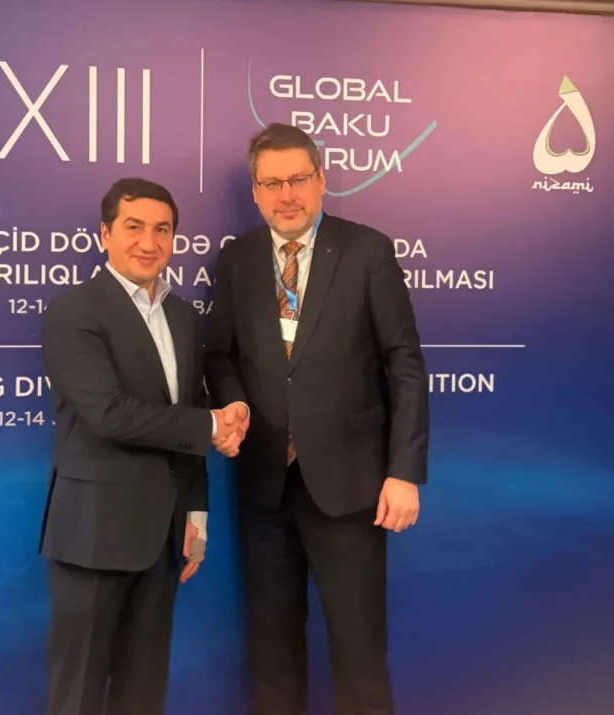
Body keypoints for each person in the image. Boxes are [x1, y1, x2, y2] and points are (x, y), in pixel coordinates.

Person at [203, 123, 430, 715]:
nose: (287, 195)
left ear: (322, 180)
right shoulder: (237, 259)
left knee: (359, 653)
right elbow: (217, 354)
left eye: (298, 179)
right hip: (264, 486)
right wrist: (233, 400)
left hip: (352, 488)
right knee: (272, 654)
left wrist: (404, 471)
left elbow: (404, 364)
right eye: (271, 183)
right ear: (255, 191)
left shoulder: (367, 251)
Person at [38, 177, 247, 715]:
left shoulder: (184, 317)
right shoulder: (74, 311)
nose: (149, 242)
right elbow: (109, 415)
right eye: (134, 227)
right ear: (105, 233)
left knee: (143, 693)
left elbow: (190, 411)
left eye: (162, 229)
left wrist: (196, 514)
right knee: (77, 695)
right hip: (93, 536)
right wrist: (211, 426)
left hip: (163, 539)